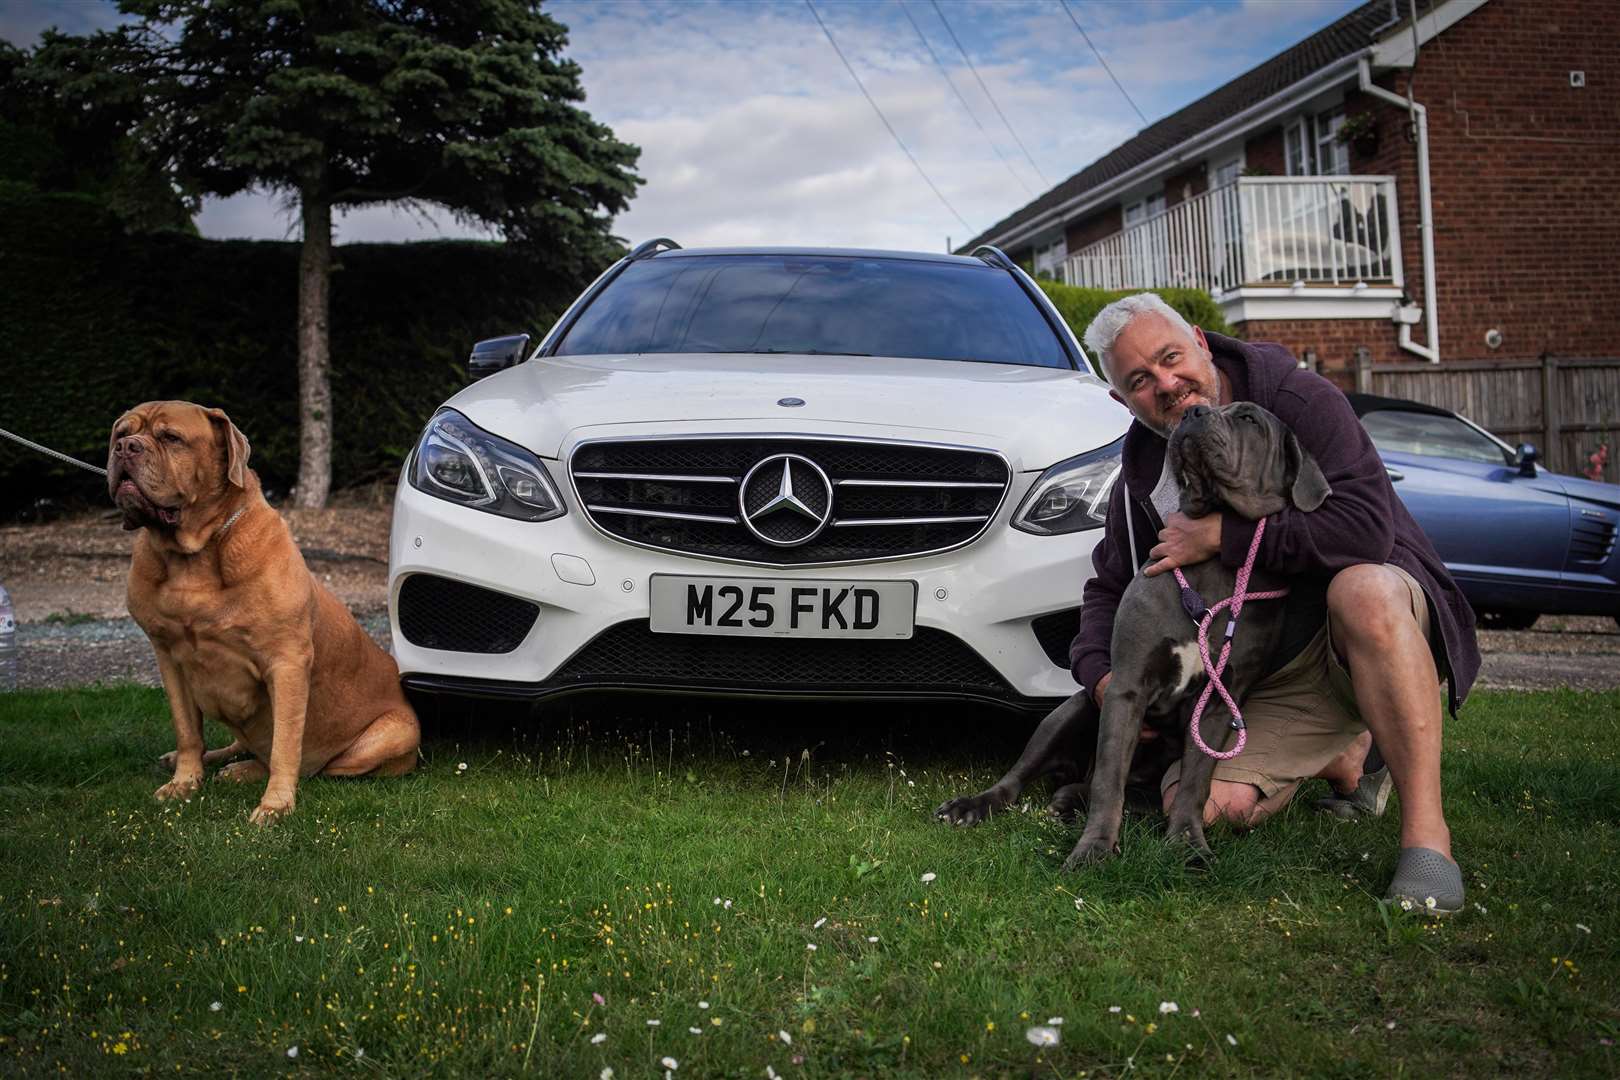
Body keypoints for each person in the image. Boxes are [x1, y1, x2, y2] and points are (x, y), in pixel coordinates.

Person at [1069, 293, 1479, 913]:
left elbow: (1365, 530)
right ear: (1121, 400)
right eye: (1140, 381)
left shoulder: (1298, 400)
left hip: (1360, 633)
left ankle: (1427, 839)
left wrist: (1222, 536)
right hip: (1255, 674)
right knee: (1203, 807)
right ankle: (1351, 755)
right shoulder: (1143, 471)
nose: (1167, 384)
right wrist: (1099, 675)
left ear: (1201, 343)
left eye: (1172, 357)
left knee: (1362, 587)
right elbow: (1109, 585)